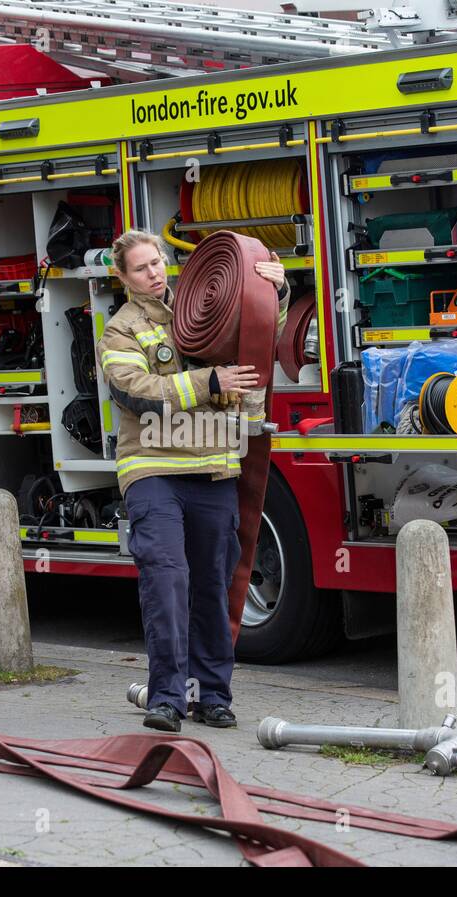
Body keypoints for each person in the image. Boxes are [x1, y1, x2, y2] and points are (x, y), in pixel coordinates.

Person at [96, 229, 288, 732]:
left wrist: (276, 290)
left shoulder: (202, 307)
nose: (153, 273)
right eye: (140, 268)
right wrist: (211, 381)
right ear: (122, 277)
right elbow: (137, 393)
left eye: (157, 262)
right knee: (166, 579)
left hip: (213, 467)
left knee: (213, 586)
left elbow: (258, 334)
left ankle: (213, 697)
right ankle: (167, 699)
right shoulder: (119, 332)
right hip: (153, 469)